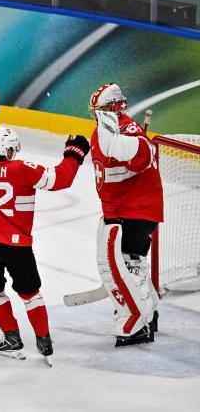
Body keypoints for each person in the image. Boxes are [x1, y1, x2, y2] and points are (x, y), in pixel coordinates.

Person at [0, 125, 89, 360]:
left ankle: (11, 337)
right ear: (9, 150)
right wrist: (74, 153)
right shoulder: (22, 168)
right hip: (17, 246)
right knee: (30, 293)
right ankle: (43, 340)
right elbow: (60, 179)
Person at [88, 83, 162, 347]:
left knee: (127, 263)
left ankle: (139, 320)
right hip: (121, 209)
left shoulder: (129, 131)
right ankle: (147, 310)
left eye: (98, 110)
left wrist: (118, 139)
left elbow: (143, 155)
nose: (94, 115)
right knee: (133, 262)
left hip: (135, 210)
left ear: (111, 108)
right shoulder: (106, 131)